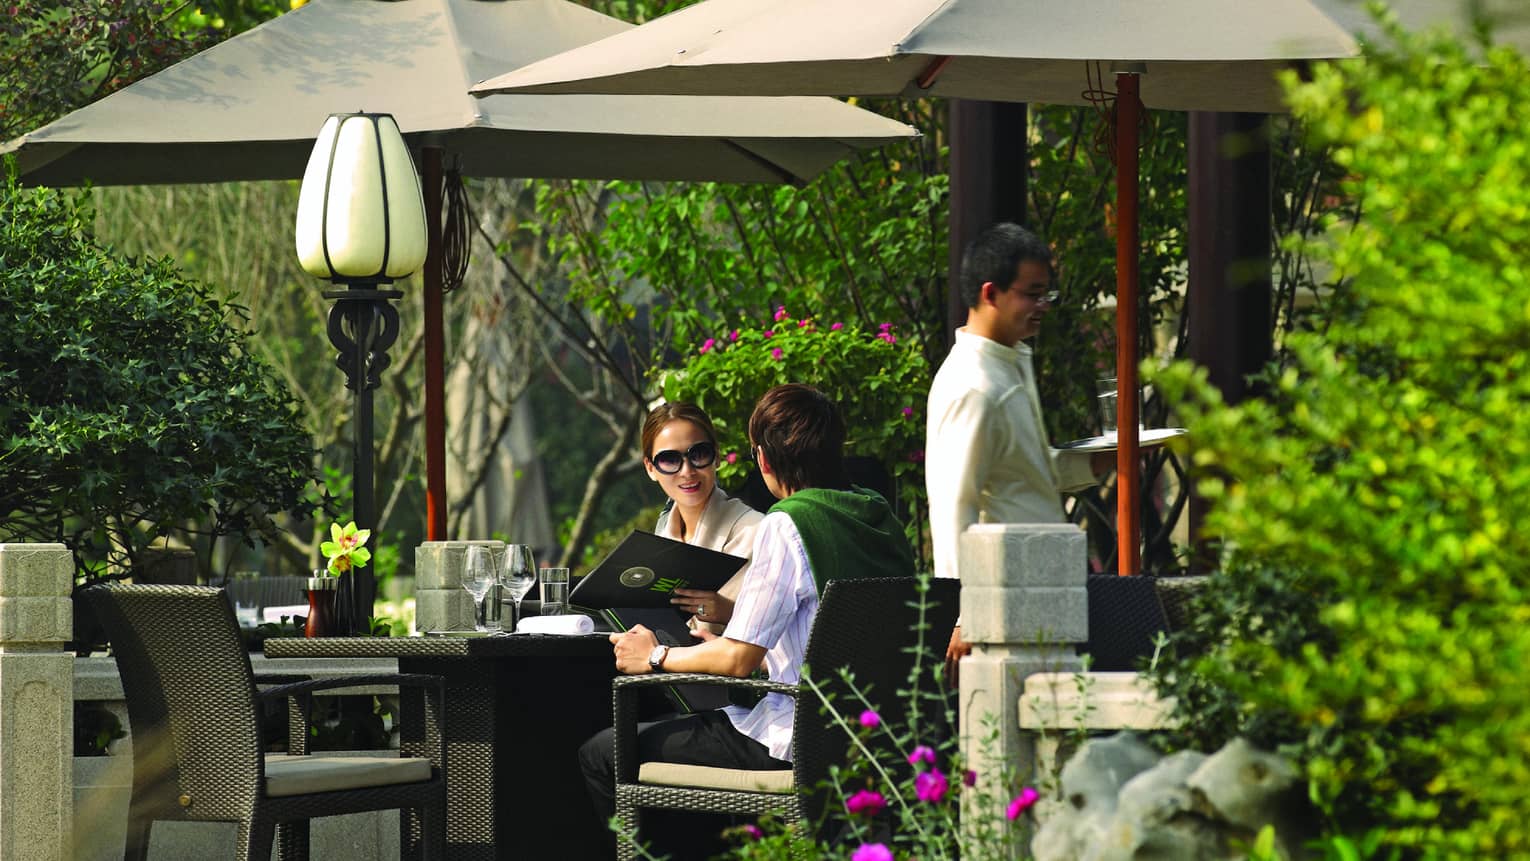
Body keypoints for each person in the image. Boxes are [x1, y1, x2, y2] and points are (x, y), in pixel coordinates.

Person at [579, 384, 914, 856]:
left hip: (797, 736)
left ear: (762, 459)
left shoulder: (786, 523)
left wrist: (652, 656)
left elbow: (739, 659)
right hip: (880, 731)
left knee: (601, 753)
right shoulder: (877, 515)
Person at [926, 223, 1111, 679]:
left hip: (1041, 586)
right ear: (991, 293)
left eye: (1046, 294)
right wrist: (966, 612)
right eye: (1032, 294)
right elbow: (955, 505)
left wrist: (1100, 460)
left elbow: (1027, 472)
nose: (1042, 307)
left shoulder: (1010, 361)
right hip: (1000, 600)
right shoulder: (973, 383)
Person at [639, 402, 763, 637]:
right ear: (650, 468)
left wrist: (730, 612)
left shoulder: (757, 532)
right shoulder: (660, 542)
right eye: (669, 460)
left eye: (699, 454)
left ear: (716, 456)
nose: (687, 471)